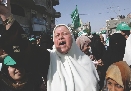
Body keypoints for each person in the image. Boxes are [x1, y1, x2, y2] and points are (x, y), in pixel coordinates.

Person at [0, 0, 50, 89]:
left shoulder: (35, 83)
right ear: (6, 69)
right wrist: (6, 16)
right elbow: (21, 45)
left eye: (20, 65)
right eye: (14, 66)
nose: (18, 69)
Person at [47, 24, 99, 91]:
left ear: (72, 37)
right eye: (57, 35)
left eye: (65, 34)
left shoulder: (86, 61)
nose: (61, 37)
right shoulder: (49, 59)